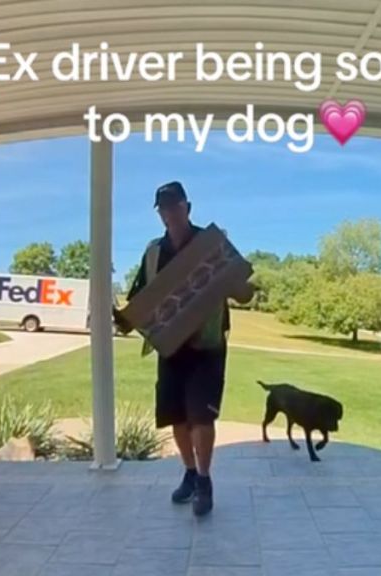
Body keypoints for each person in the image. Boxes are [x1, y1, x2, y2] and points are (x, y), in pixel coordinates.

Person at [113, 181, 253, 516]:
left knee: (201, 418)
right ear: (159, 213)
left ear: (187, 208)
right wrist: (125, 320)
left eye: (175, 206)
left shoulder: (212, 245)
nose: (169, 213)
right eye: (163, 208)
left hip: (207, 346)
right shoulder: (153, 252)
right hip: (171, 348)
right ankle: (190, 473)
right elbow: (141, 299)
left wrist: (237, 287)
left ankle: (204, 481)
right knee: (176, 417)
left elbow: (244, 293)